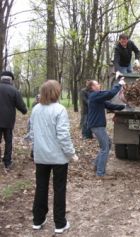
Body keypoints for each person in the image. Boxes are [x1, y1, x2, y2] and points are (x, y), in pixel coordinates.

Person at [30, 80, 78, 234]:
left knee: (41, 187)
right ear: (56, 92)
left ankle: (37, 220)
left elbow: (32, 133)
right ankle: (59, 223)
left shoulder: (36, 109)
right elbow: (63, 135)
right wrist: (71, 154)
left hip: (41, 155)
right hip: (58, 157)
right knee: (59, 189)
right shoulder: (60, 109)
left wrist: (35, 149)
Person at [87, 80, 125, 179]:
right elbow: (110, 94)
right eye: (97, 84)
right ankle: (100, 173)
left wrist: (124, 107)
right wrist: (119, 84)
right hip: (97, 125)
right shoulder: (94, 95)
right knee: (105, 148)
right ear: (92, 87)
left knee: (107, 143)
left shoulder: (97, 98)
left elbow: (110, 105)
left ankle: (96, 166)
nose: (99, 85)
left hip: (97, 125)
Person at [0, 71, 27, 170]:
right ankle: (7, 162)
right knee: (8, 142)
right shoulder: (14, 91)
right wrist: (24, 110)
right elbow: (22, 108)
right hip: (8, 122)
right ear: (11, 80)